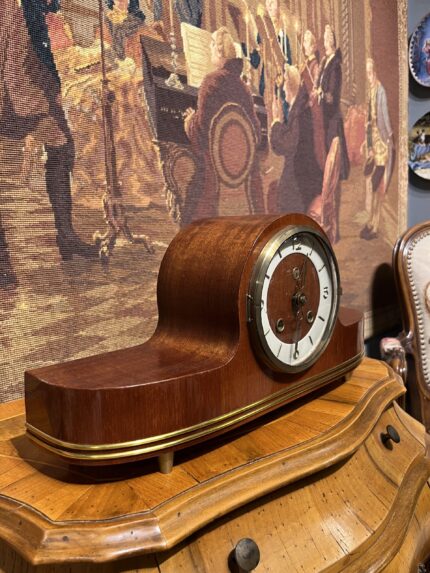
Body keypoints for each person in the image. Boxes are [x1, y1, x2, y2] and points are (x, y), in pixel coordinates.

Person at [0, 0, 98, 288]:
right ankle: (2, 263)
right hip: (11, 98)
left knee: (63, 147)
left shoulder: (15, 7)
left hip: (21, 95)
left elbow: (25, 56)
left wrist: (51, 90)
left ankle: (66, 236)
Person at [182, 27, 263, 224]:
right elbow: (255, 134)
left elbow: (201, 133)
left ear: (219, 51)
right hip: (242, 177)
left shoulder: (210, 82)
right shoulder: (244, 89)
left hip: (214, 176)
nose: (209, 50)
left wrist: (189, 121)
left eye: (211, 45)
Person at [270, 65, 322, 213]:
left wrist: (276, 121)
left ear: (290, 85)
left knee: (280, 194)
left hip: (301, 183)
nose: (283, 89)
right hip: (303, 173)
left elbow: (285, 145)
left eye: (284, 83)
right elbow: (291, 134)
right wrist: (279, 122)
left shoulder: (300, 111)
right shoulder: (300, 106)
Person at [314, 24, 350, 241]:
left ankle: (334, 230)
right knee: (325, 177)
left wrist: (320, 93)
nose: (326, 37)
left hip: (332, 123)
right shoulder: (325, 61)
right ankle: (327, 225)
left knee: (333, 177)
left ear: (334, 39)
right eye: (325, 34)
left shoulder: (335, 64)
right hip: (324, 123)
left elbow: (332, 96)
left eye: (330, 34)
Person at [360, 58, 394, 241]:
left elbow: (384, 115)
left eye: (370, 72)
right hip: (374, 141)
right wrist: (368, 144)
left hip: (382, 141)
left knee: (377, 183)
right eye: (367, 73)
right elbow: (369, 118)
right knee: (374, 184)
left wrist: (389, 136)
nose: (369, 76)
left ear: (375, 71)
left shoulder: (380, 91)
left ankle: (374, 224)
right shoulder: (371, 90)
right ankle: (372, 222)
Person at [300, 30, 325, 172]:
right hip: (307, 107)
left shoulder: (315, 65)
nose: (303, 45)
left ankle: (319, 170)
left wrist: (309, 101)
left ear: (313, 46)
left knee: (316, 139)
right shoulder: (306, 63)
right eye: (304, 42)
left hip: (314, 108)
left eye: (306, 43)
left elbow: (315, 89)